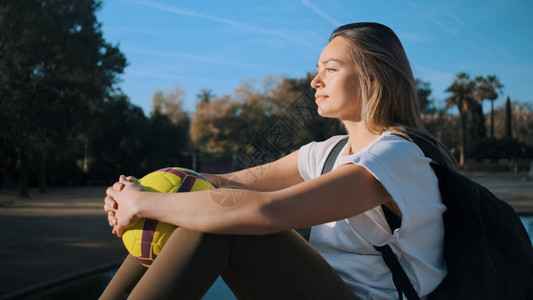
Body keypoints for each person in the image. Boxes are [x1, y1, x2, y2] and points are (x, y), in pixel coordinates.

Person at [102, 22, 455, 300]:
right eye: (317, 69)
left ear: (372, 76)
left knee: (223, 223)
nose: (315, 81)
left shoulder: (397, 156)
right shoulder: (328, 151)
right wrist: (133, 193)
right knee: (199, 199)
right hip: (318, 290)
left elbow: (267, 211)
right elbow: (223, 183)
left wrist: (144, 202)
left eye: (330, 69)